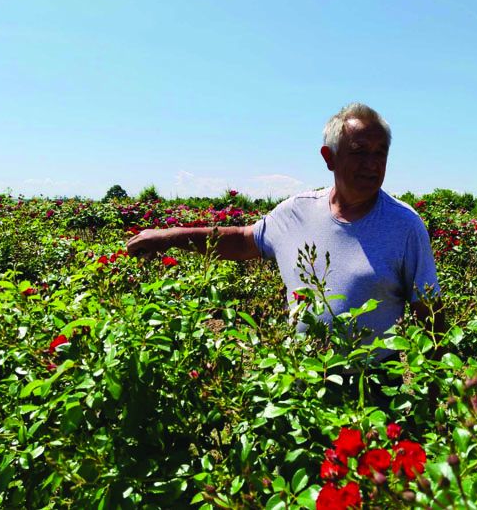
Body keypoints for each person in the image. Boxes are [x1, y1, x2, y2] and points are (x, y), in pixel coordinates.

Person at [127, 103, 444, 359]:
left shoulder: (404, 225)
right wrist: (167, 236)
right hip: (303, 383)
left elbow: (431, 320)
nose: (371, 164)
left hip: (374, 392)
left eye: (380, 153)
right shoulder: (296, 213)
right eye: (359, 151)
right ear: (329, 157)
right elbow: (240, 241)